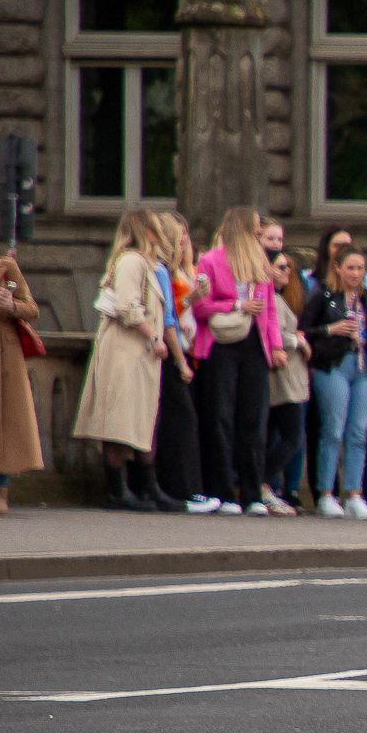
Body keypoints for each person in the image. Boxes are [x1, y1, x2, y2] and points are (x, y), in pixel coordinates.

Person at [71, 208, 171, 512]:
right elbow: (128, 306)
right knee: (119, 420)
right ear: (146, 230)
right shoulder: (131, 260)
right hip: (126, 350)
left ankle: (147, 489)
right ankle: (117, 491)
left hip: (136, 352)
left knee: (138, 418)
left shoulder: (143, 263)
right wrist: (154, 337)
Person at [191, 207, 283, 516]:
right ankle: (222, 491)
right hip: (221, 344)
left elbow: (269, 312)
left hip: (254, 345)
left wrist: (275, 347)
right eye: (257, 227)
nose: (260, 232)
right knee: (221, 416)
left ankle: (252, 492)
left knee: (254, 420)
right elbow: (201, 308)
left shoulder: (260, 263)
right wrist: (237, 304)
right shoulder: (210, 260)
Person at [303, 248, 367, 519]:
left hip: (362, 368)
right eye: (350, 268)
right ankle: (326, 494)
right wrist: (331, 329)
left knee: (359, 433)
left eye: (360, 269)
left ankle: (354, 493)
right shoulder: (324, 296)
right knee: (333, 430)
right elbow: (304, 331)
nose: (355, 274)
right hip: (333, 366)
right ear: (338, 268)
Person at [151, 215, 211, 512]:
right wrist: (180, 360)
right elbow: (168, 319)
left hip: (182, 349)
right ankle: (181, 491)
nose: (184, 240)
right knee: (180, 421)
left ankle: (185, 489)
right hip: (171, 352)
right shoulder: (163, 271)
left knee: (181, 420)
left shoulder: (178, 269)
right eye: (180, 234)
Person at [0, 250, 42, 515]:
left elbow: (32, 309)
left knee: (1, 423)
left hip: (1, 356)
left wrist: (11, 306)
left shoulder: (5, 266)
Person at [259, 253, 310, 516]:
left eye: (288, 266)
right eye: (281, 267)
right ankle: (263, 481)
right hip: (282, 378)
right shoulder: (271, 299)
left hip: (286, 378)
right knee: (291, 437)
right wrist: (297, 341)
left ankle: (264, 483)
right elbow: (274, 333)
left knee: (277, 436)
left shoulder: (279, 298)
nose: (287, 271)